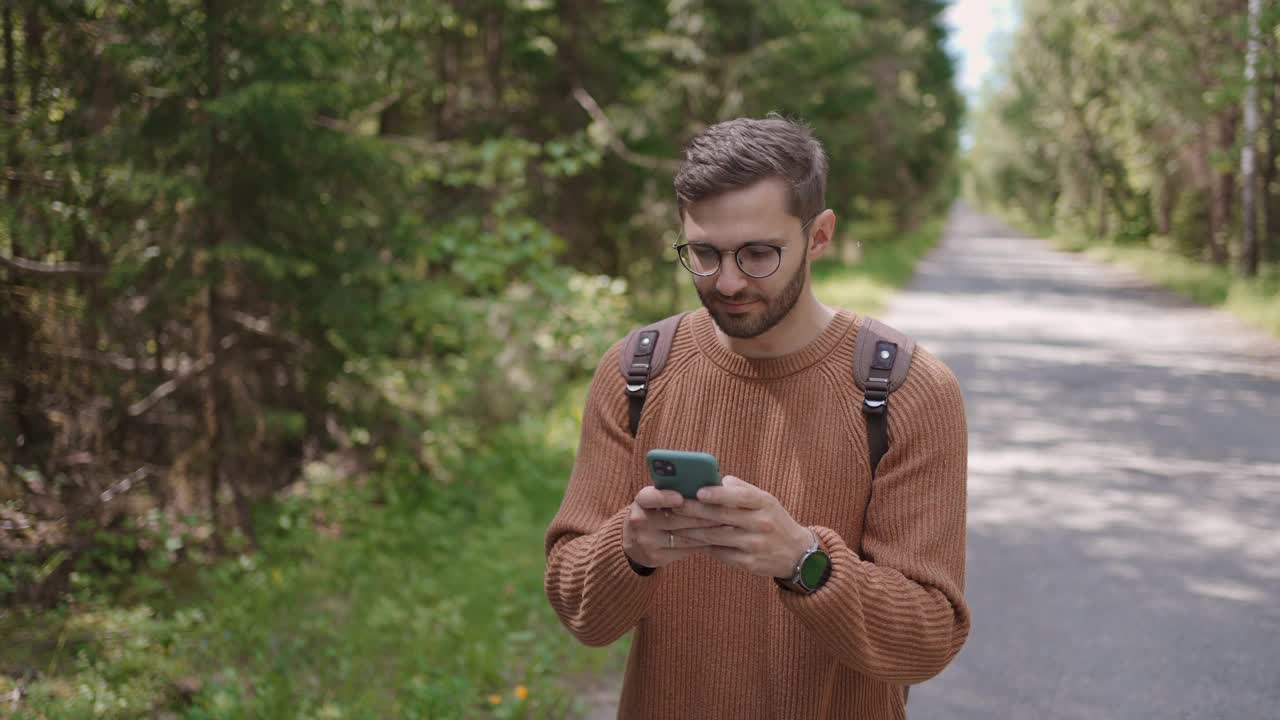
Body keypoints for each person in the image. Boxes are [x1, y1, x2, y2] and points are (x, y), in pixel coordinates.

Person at [543, 115, 969, 719]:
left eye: (759, 253)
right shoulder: (635, 372)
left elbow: (928, 639)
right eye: (703, 254)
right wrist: (629, 548)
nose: (729, 281)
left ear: (819, 237)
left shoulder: (909, 390)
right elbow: (579, 612)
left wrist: (804, 562)